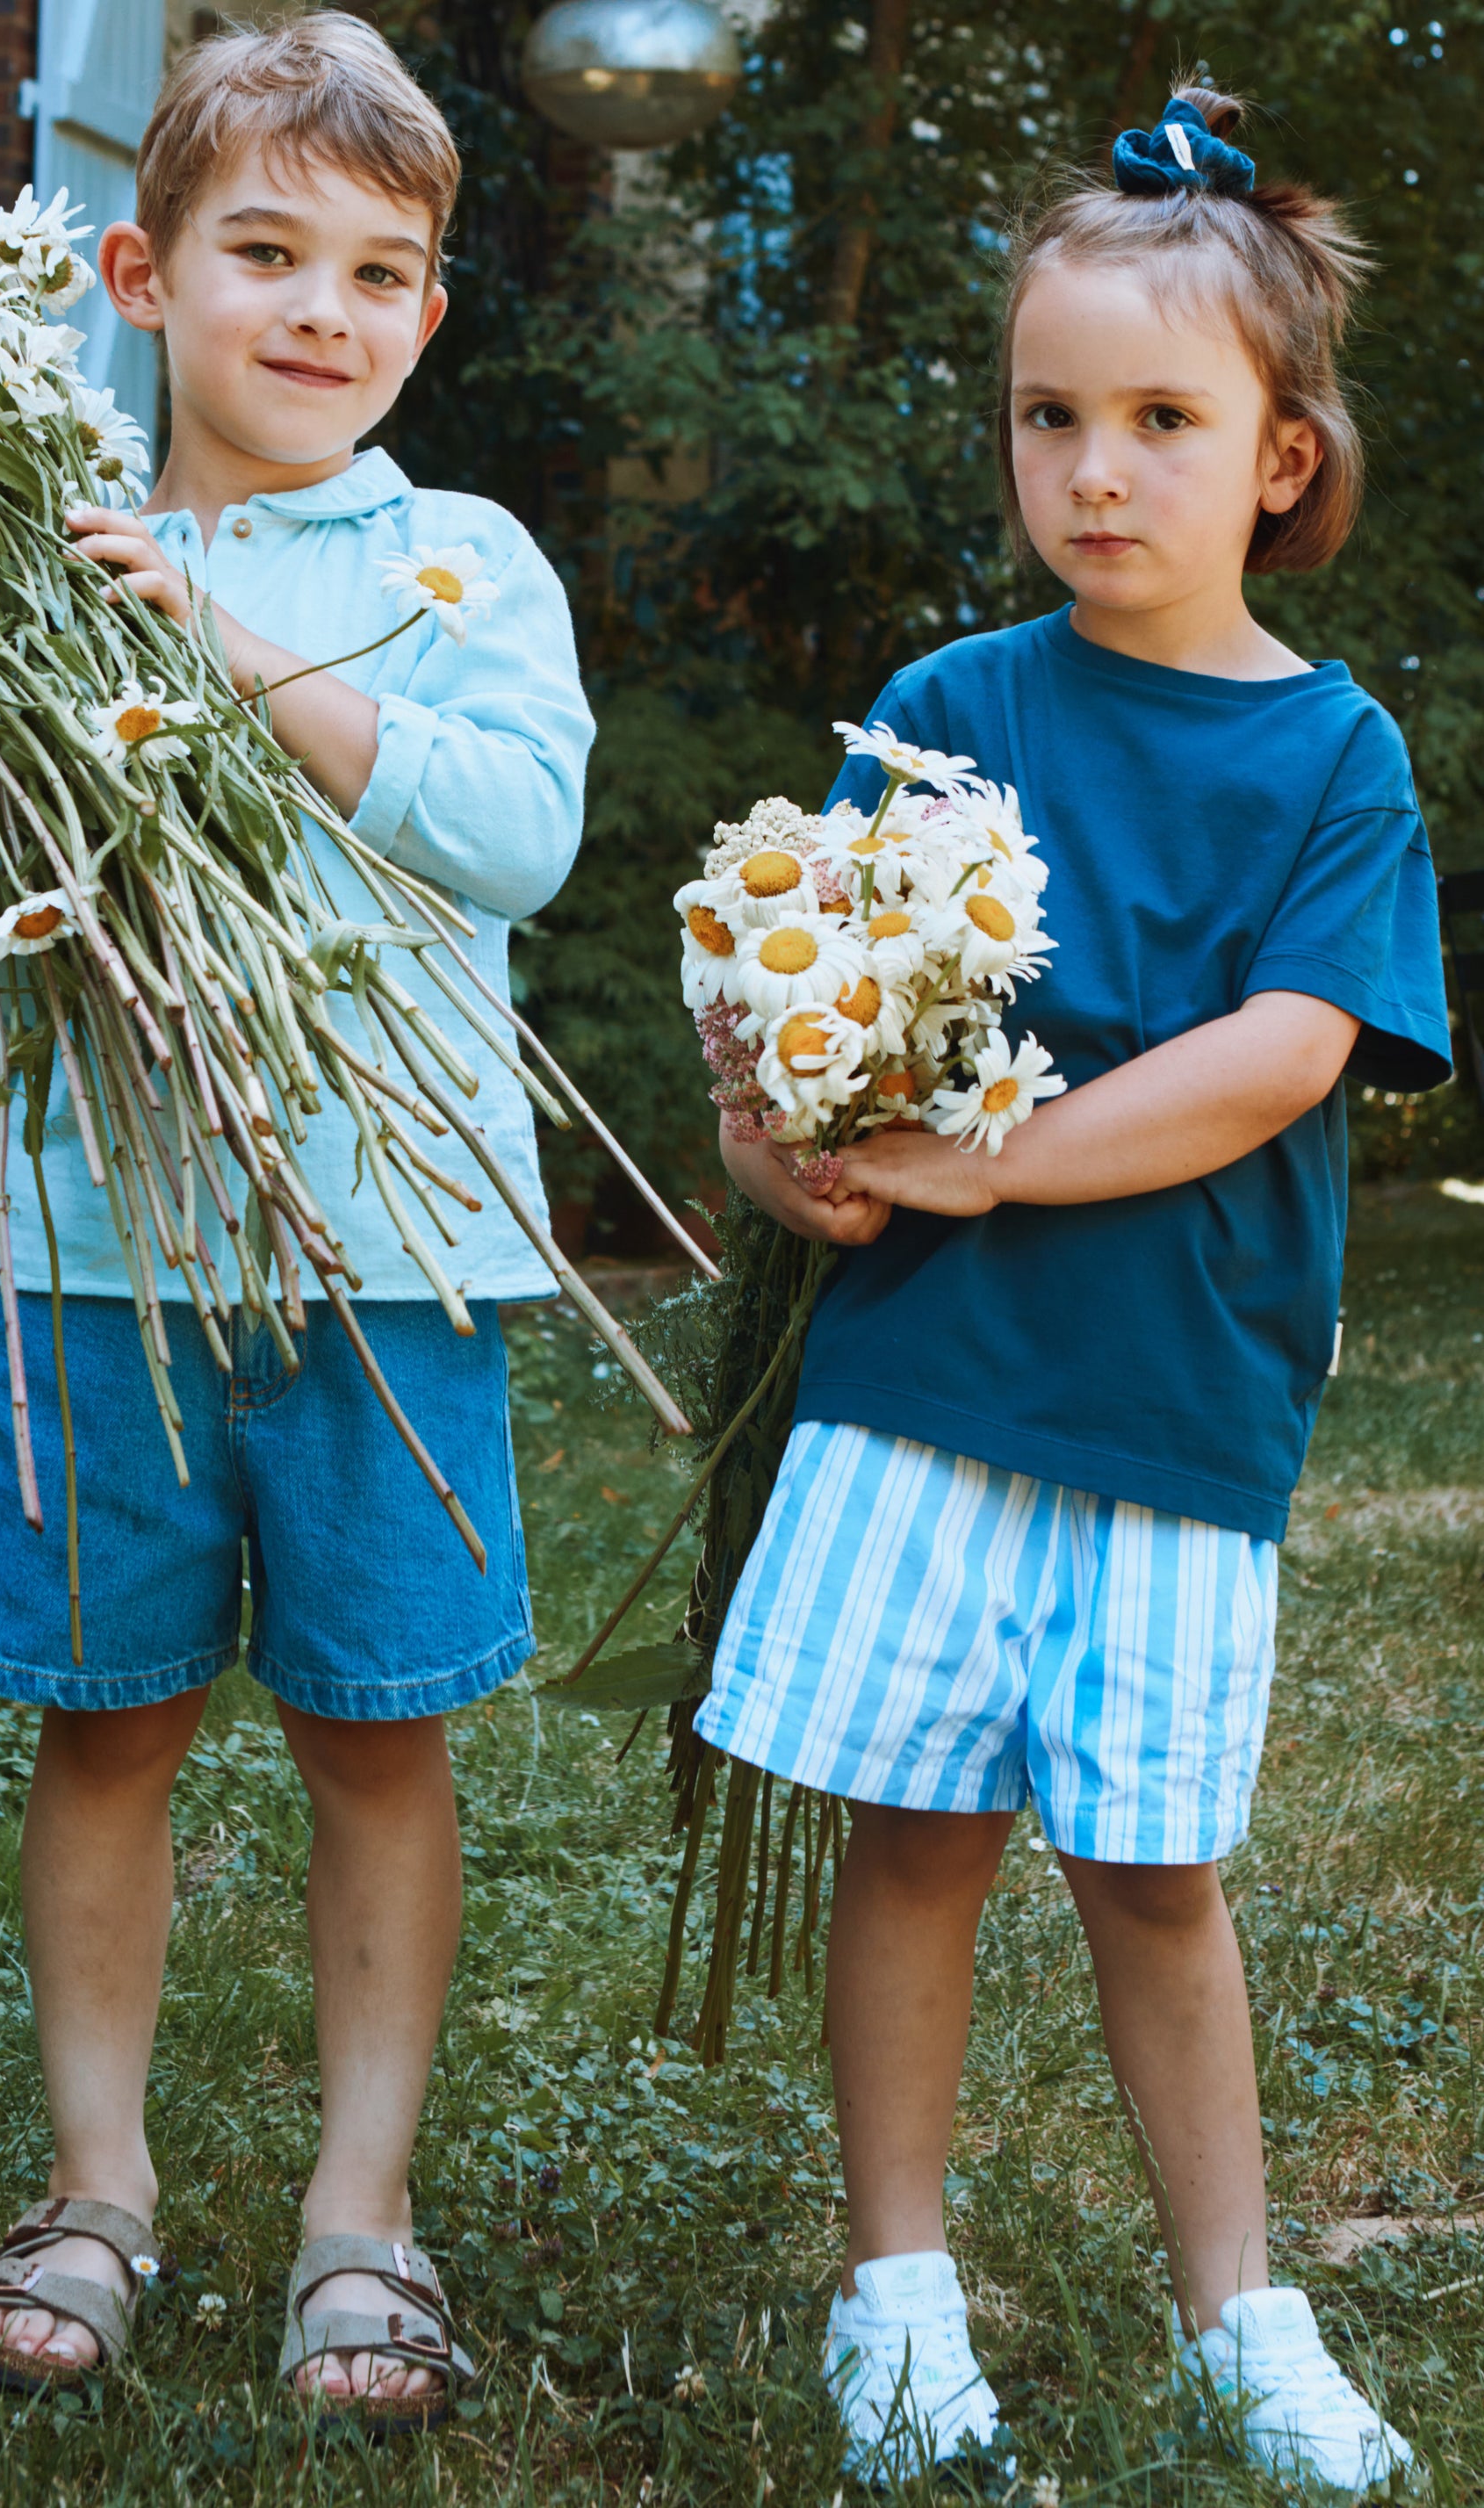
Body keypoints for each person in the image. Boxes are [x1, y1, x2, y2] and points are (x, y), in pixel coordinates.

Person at [0, 12, 591, 2425]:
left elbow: (514, 837)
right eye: (265, 253)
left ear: (430, 318)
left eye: (381, 273)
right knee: (110, 1725)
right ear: (138, 273)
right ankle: (103, 2190)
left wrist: (228, 641)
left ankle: (360, 2222)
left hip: (388, 1258)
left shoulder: (458, 561)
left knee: (379, 1733)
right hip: (97, 1250)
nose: (323, 311)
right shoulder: (53, 527)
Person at [698, 86, 1449, 2495]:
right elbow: (806, 998)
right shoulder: (946, 707)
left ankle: (1240, 2312)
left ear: (1282, 464)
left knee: (1156, 1865)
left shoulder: (1335, 757)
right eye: (1051, 416)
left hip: (1170, 1399)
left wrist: (980, 1160)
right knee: (914, 1828)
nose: (1095, 467)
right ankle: (895, 2292)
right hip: (934, 1384)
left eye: (1160, 419)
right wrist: (773, 1127)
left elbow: (1270, 1063)